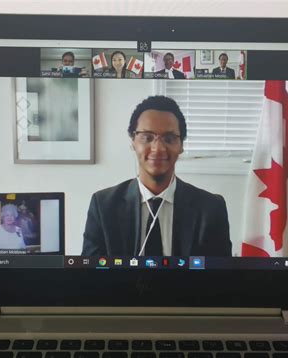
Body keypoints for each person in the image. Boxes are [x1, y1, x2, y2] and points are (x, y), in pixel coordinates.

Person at [82, 96, 231, 257]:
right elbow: (91, 275)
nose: (158, 148)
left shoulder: (210, 209)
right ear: (133, 141)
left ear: (181, 145)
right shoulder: (104, 206)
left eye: (169, 138)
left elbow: (220, 278)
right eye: (147, 137)